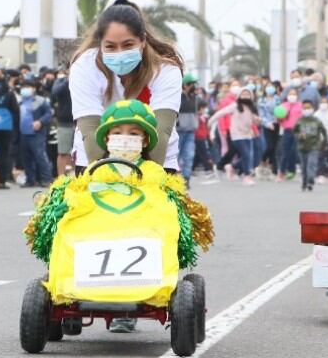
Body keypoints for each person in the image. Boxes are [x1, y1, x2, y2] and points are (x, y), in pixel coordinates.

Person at [24, 99, 215, 334]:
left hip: (141, 227)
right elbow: (80, 192)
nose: (125, 138)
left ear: (145, 140)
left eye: (134, 133)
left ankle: (150, 283)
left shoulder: (154, 173)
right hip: (99, 228)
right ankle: (71, 282)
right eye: (118, 132)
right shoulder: (96, 172)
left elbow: (164, 199)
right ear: (106, 138)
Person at [69, 0, 183, 175]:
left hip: (156, 161)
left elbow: (162, 129)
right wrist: (106, 175)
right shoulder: (84, 66)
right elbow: (90, 129)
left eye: (128, 45)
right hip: (94, 160)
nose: (120, 52)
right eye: (111, 46)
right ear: (100, 44)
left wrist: (147, 177)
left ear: (142, 41)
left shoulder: (166, 70)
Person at [209, 87, 259, 185]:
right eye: (243, 94)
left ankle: (232, 166)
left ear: (251, 96)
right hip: (237, 134)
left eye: (247, 94)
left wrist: (257, 121)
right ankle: (247, 176)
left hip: (247, 134)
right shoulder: (235, 105)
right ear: (239, 96)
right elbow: (221, 112)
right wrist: (211, 121)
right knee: (246, 154)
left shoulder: (251, 107)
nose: (245, 96)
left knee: (249, 155)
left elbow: (253, 121)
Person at [18, 78, 53, 187]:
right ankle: (30, 180)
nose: (25, 89)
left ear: (34, 89)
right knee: (26, 158)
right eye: (23, 87)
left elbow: (49, 114)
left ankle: (46, 179)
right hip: (23, 133)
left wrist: (40, 122)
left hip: (37, 133)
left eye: (28, 87)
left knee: (40, 156)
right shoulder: (19, 101)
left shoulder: (41, 100)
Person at [0, 67, 19, 189]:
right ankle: (2, 181)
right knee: (4, 153)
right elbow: (16, 110)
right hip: (6, 125)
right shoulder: (8, 91)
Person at [293, 100, 327, 191]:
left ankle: (310, 181)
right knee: (303, 166)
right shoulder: (300, 121)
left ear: (312, 109)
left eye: (308, 108)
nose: (307, 110)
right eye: (305, 108)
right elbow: (295, 131)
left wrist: (324, 143)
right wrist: (299, 136)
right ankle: (304, 182)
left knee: (311, 164)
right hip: (302, 147)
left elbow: (324, 132)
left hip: (314, 146)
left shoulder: (317, 121)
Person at [51, 68, 75, 178]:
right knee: (63, 151)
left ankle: (76, 175)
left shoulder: (84, 79)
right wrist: (68, 80)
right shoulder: (61, 82)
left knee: (78, 152)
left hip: (80, 120)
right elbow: (55, 92)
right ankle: (60, 177)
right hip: (64, 121)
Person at [177, 73, 199, 183]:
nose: (193, 86)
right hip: (179, 131)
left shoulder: (194, 97)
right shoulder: (177, 96)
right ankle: (174, 179)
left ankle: (186, 179)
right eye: (191, 84)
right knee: (176, 156)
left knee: (189, 155)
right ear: (184, 85)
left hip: (191, 130)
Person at [277, 88, 303, 181]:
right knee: (285, 152)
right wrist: (280, 117)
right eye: (290, 94)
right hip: (287, 130)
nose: (292, 96)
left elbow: (303, 118)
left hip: (297, 131)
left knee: (294, 151)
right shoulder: (283, 106)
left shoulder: (300, 106)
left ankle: (292, 170)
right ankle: (281, 172)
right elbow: (279, 119)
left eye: (294, 94)